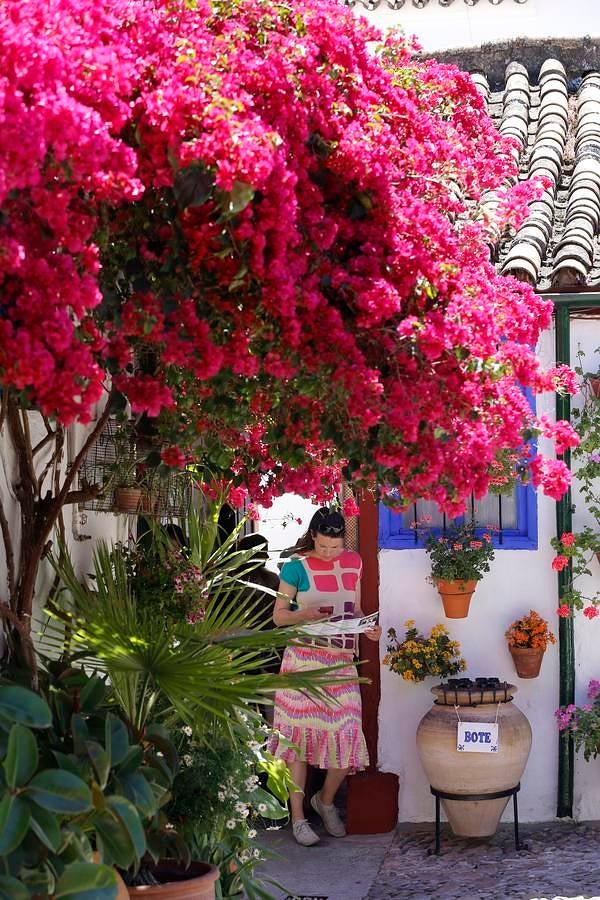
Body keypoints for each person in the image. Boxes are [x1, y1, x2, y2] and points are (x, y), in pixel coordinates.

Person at [268, 507, 381, 847]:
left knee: (347, 734)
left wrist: (367, 628)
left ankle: (326, 800)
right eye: (324, 546)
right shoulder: (295, 568)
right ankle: (299, 816)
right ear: (313, 536)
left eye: (335, 547)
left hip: (341, 662)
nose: (330, 553)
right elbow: (278, 617)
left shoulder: (354, 562)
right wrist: (302, 614)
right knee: (297, 744)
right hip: (302, 662)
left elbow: (355, 608)